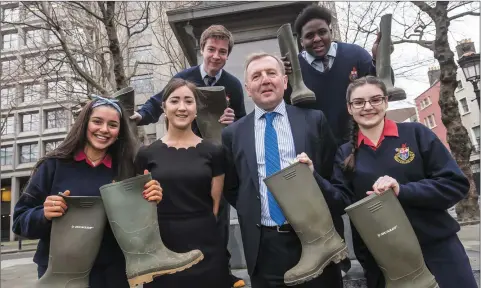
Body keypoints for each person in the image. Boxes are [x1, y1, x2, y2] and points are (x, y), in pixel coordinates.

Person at [311, 76, 477, 288]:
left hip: (437, 251)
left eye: (375, 99)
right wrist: (312, 176)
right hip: (384, 260)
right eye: (359, 102)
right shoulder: (344, 153)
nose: (368, 107)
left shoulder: (417, 133)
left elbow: (455, 184)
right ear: (350, 108)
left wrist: (402, 190)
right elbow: (340, 201)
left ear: (386, 102)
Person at [131, 24, 246, 288]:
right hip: (177, 159)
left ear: (227, 55)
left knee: (216, 217)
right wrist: (139, 116)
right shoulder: (185, 76)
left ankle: (221, 269)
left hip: (212, 160)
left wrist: (233, 120)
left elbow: (241, 122)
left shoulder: (233, 85)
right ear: (201, 50)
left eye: (222, 52)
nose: (216, 56)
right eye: (211, 50)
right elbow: (157, 102)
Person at [12, 96, 163, 287]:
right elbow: (19, 221)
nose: (104, 130)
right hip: (61, 275)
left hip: (113, 275)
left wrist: (152, 200)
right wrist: (44, 214)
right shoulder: (53, 165)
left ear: (119, 131)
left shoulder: (129, 168)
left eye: (112, 125)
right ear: (84, 124)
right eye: (97, 121)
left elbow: (139, 227)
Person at [222, 52, 342, 287]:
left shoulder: (314, 120)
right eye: (256, 76)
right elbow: (233, 187)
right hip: (265, 247)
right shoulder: (233, 134)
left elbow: (330, 173)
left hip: (315, 238)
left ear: (285, 81)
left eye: (271, 73)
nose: (265, 80)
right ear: (247, 88)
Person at [135, 78, 229, 288]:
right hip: (162, 252)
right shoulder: (146, 154)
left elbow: (215, 206)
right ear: (164, 107)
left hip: (206, 248)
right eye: (175, 101)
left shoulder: (214, 151)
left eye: (188, 101)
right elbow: (141, 207)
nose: (182, 108)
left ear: (196, 108)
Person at [283, 5, 392, 146]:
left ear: (331, 32)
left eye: (322, 32)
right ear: (301, 41)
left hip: (360, 142)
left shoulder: (356, 55)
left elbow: (384, 89)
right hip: (317, 147)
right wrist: (278, 77)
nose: (317, 39)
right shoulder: (293, 68)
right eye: (309, 36)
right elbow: (286, 107)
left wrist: (379, 60)